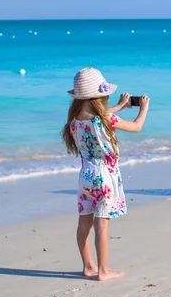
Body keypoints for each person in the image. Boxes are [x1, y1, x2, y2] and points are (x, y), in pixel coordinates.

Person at [62, 67, 150, 281]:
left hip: (85, 176)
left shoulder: (74, 122)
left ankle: (88, 266)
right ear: (100, 95)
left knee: (84, 223)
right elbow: (136, 127)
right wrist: (143, 108)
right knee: (102, 224)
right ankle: (103, 270)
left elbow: (96, 116)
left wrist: (119, 106)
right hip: (105, 177)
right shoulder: (107, 119)